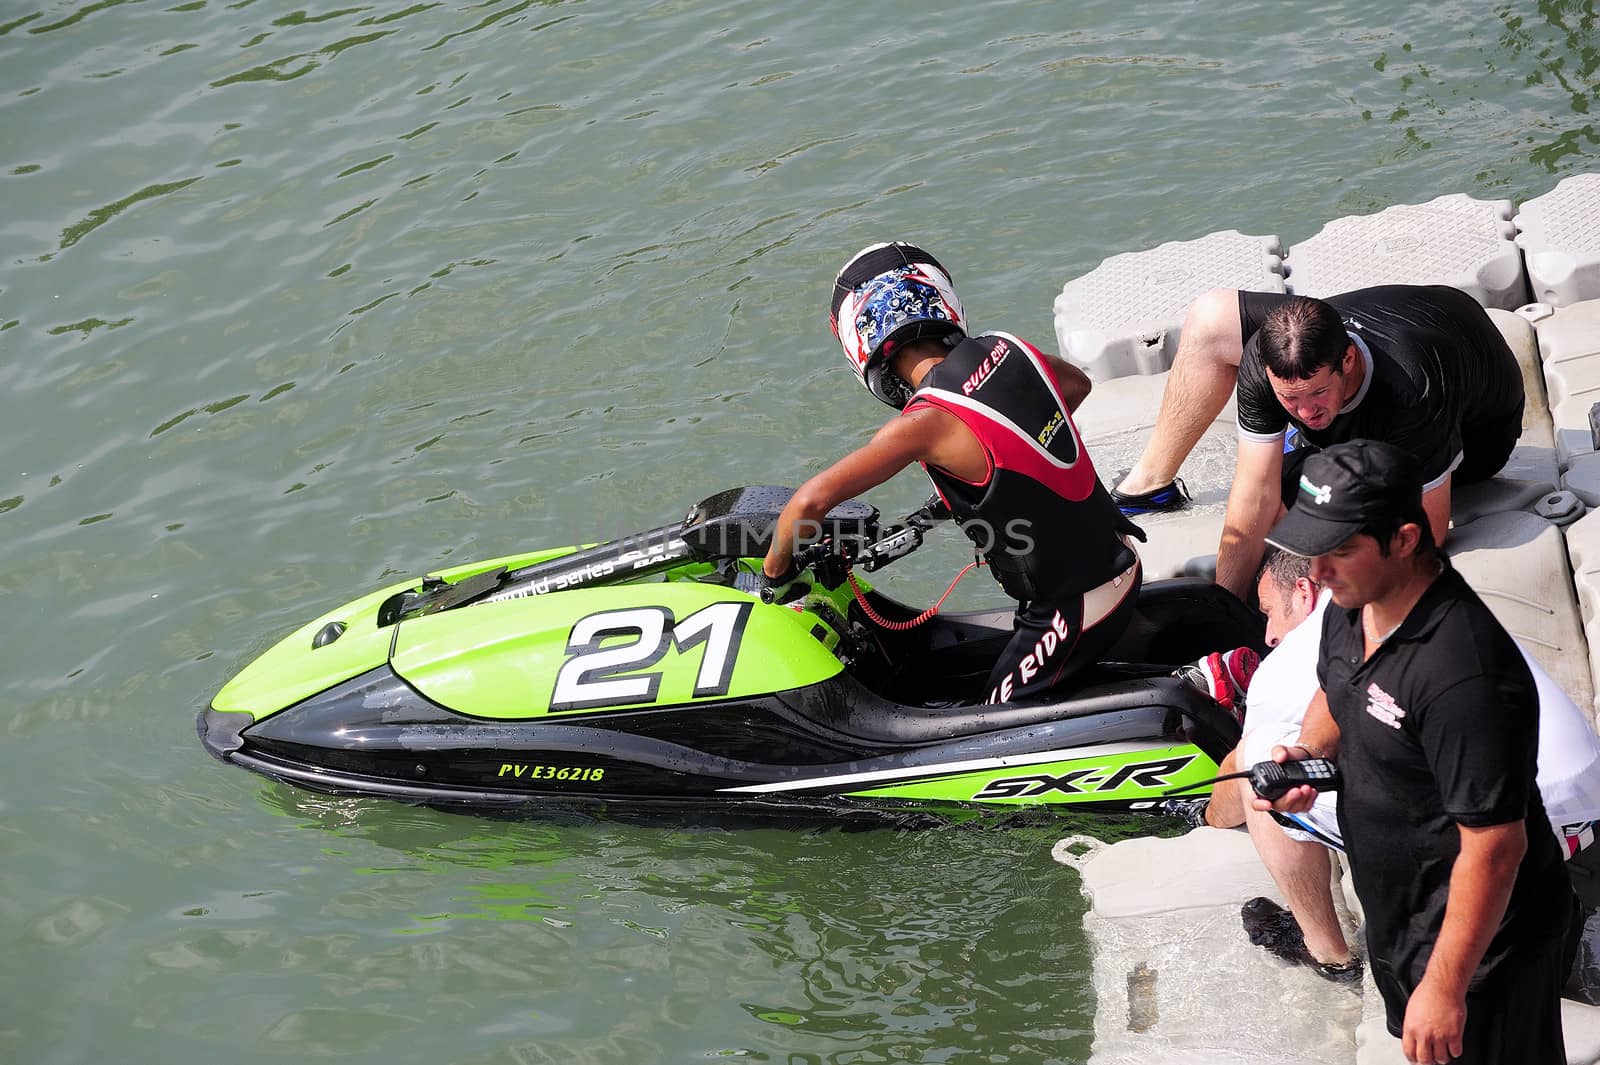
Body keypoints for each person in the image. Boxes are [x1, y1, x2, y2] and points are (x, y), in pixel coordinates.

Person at [1259, 439, 1577, 1065]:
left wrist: (1445, 986)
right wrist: (1308, 754)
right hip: (1401, 914)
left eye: (1341, 550)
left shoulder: (1464, 673)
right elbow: (1336, 685)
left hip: (1485, 948)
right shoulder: (1354, 602)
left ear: (1406, 539)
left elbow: (1496, 846)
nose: (1317, 572)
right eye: (1315, 550)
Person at [1176, 548, 1600, 987]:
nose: (1267, 635)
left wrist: (1207, 814)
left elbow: (1237, 782)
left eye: (1268, 613)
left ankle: (1329, 957)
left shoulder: (1289, 665)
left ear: (1304, 590)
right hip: (1582, 808)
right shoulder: (1425, 591)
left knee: (1260, 767)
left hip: (1498, 838)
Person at [759, 242, 1145, 703]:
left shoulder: (922, 423)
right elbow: (1074, 387)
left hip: (1073, 606)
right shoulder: (1010, 347)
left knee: (995, 716)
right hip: (1118, 559)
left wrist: (775, 577)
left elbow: (809, 504)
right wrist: (999, 481)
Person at [1108, 285, 1525, 599]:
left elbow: (1426, 535)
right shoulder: (1264, 359)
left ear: (1347, 360)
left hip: (1478, 436)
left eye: (1317, 394)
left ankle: (1304, 445)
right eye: (1290, 398)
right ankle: (1149, 485)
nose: (1305, 411)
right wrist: (1227, 608)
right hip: (1405, 321)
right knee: (1213, 314)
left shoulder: (1414, 388)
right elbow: (1253, 493)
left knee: (1302, 489)